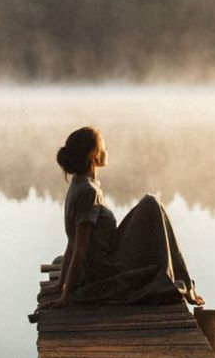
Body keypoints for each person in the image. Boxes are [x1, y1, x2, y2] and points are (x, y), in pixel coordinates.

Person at [42, 126, 204, 309]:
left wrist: (60, 285)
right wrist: (65, 295)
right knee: (151, 204)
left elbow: (72, 242)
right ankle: (185, 283)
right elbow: (78, 246)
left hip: (103, 259)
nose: (107, 150)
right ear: (95, 155)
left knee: (152, 206)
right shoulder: (88, 192)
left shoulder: (78, 185)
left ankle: (184, 280)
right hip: (105, 269)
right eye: (104, 146)